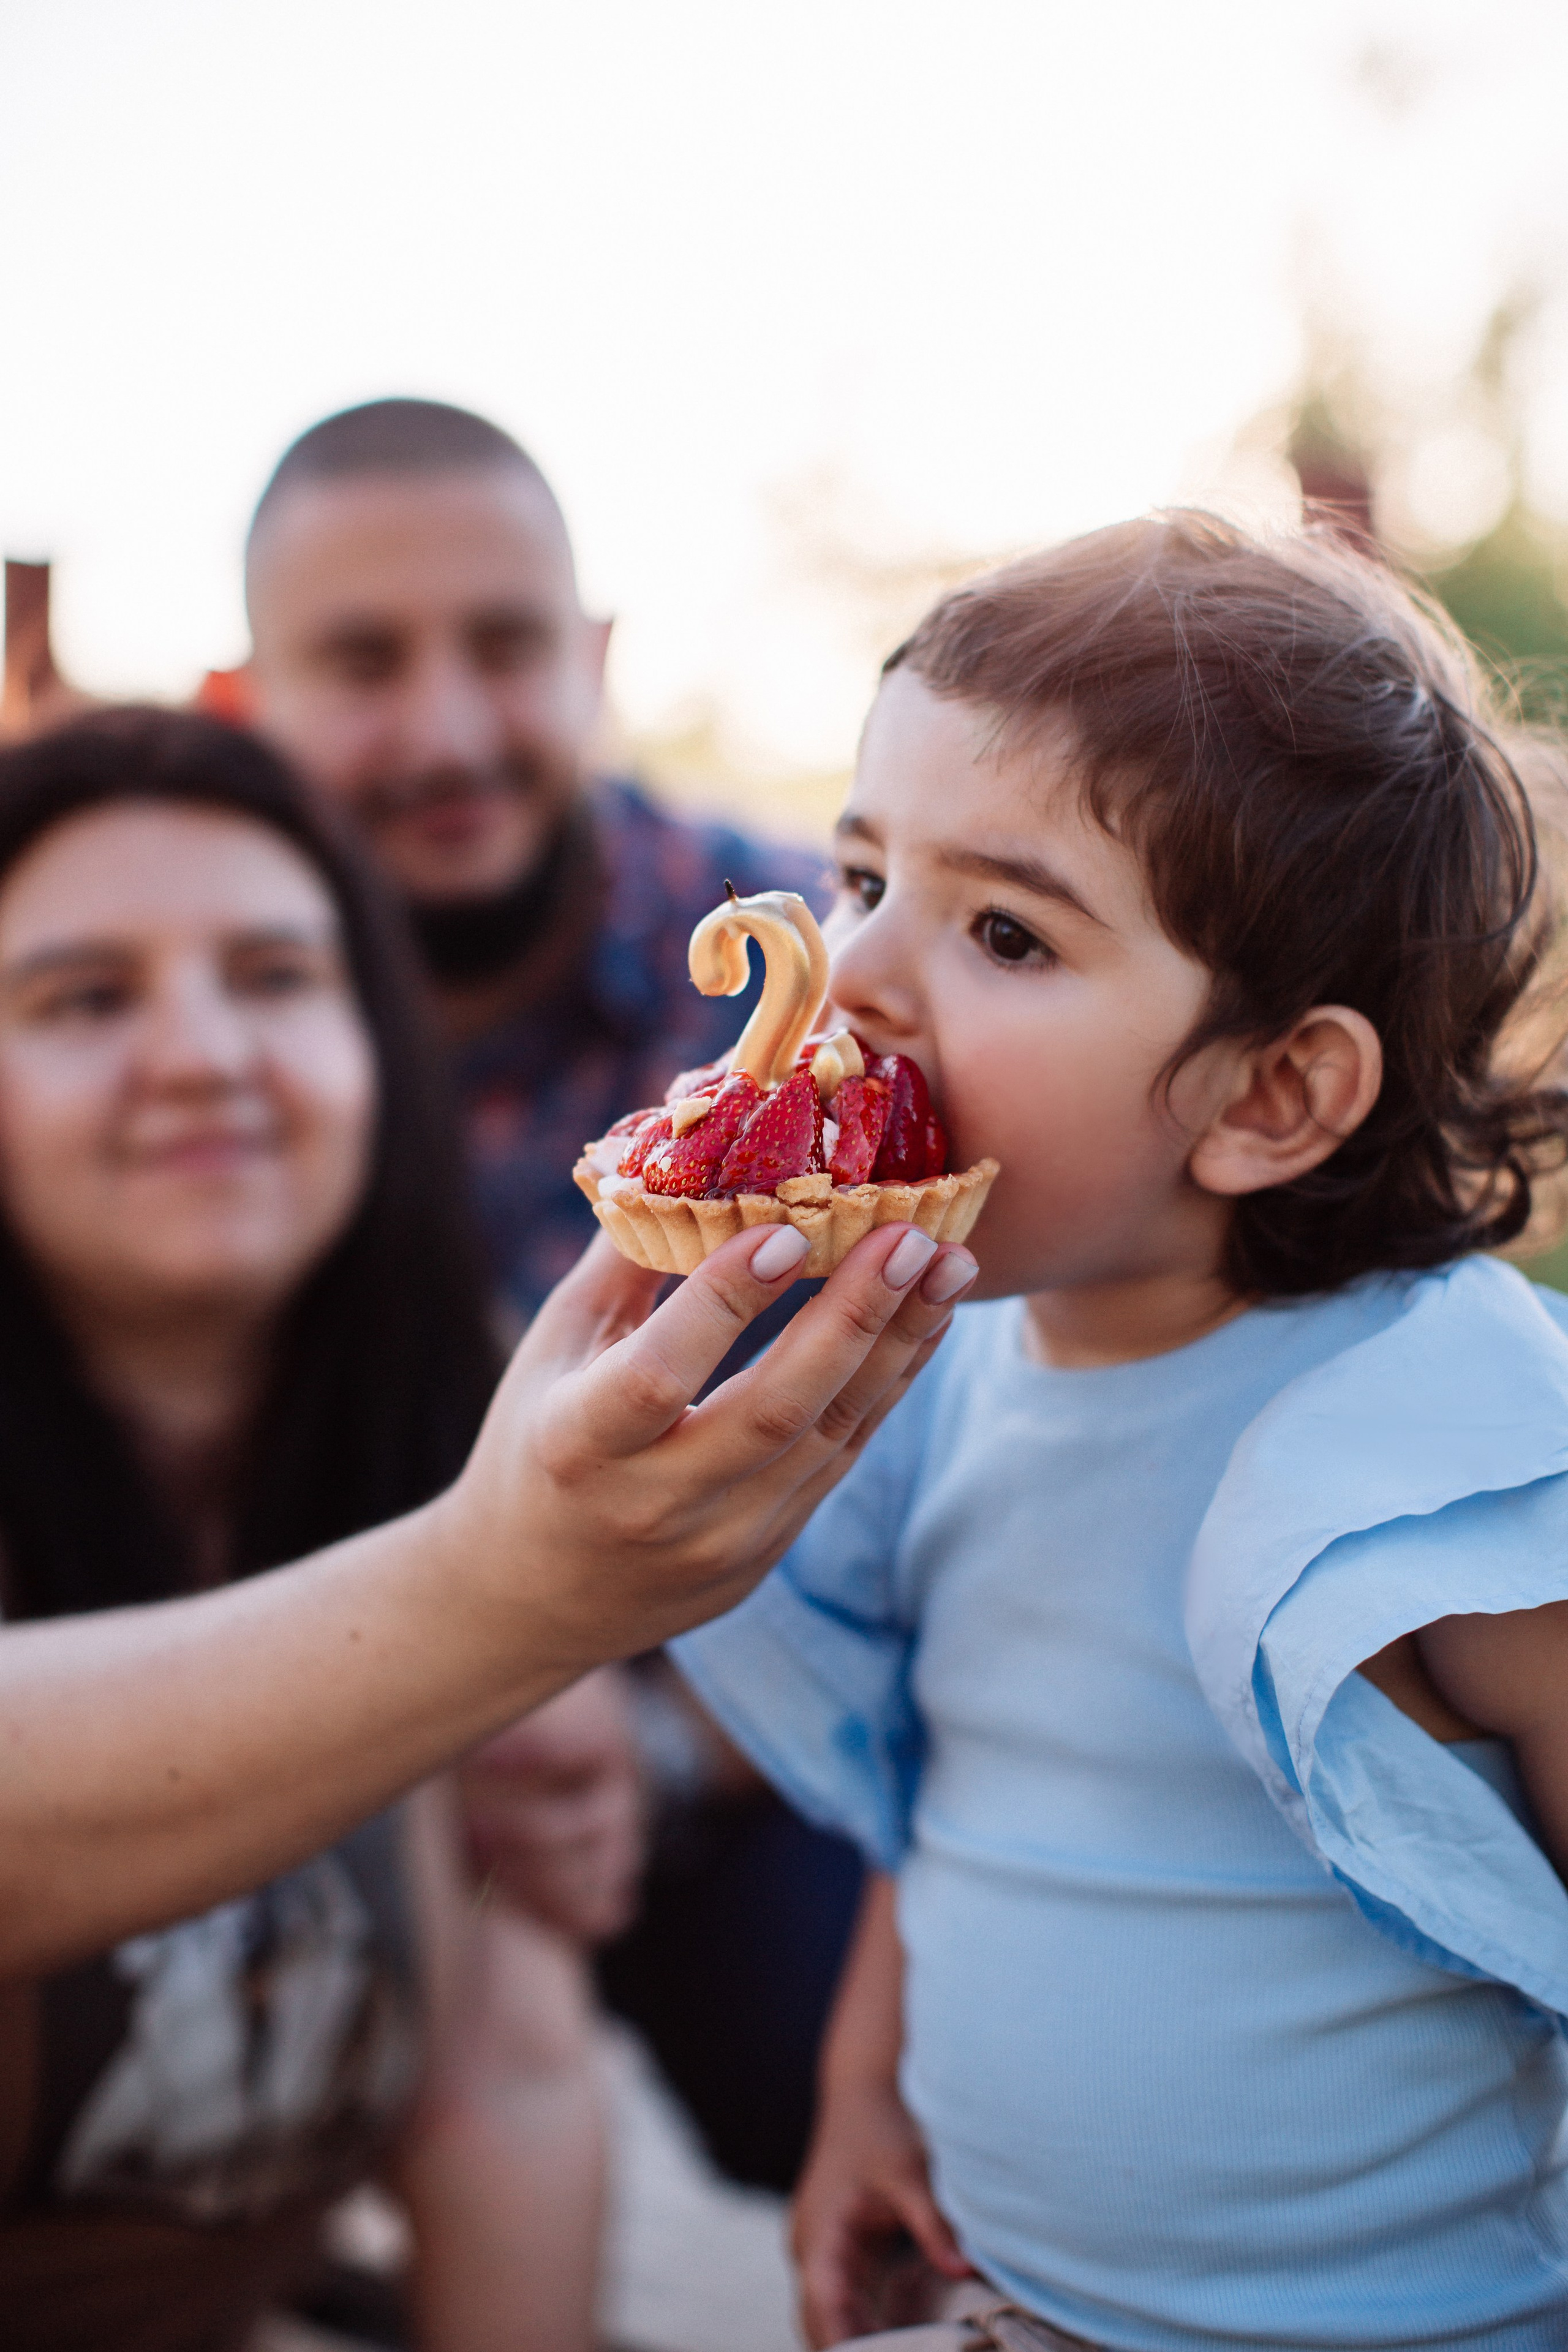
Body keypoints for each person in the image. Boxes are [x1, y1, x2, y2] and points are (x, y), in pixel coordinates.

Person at [672, 514, 1568, 2351]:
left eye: (1004, 929)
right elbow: (945, 1794)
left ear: (1270, 1094)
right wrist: (867, 2088)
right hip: (1020, 2308)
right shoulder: (943, 1380)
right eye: (860, 878)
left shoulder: (1446, 1478)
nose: (851, 982)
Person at [0, 707, 977, 2352]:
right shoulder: (491, 1518)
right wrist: (497, 1598)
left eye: (275, 977)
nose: (200, 1055)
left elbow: (504, 2095)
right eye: (83, 998)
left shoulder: (450, 1392)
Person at [241, 396, 863, 2188]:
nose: (443, 728)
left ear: (591, 655)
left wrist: (660, 1755)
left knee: (864, 2045)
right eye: (362, 661)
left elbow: (973, 1467)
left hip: (730, 1749)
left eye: (504, 647)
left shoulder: (811, 977)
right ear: (252, 694)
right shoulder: (183, 1019)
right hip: (305, 1736)